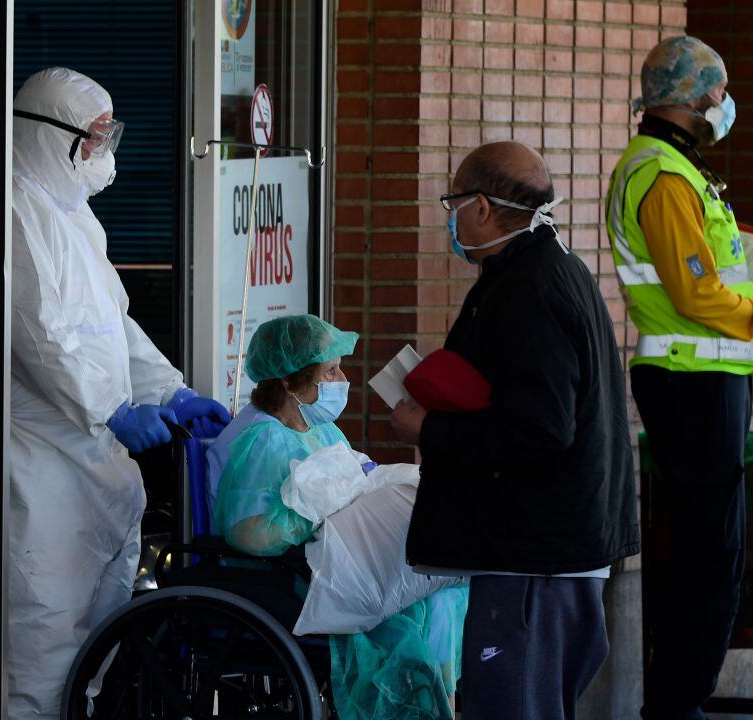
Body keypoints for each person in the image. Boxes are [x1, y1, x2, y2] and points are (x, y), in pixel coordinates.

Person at [8, 68, 230, 719]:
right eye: (95, 138)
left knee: (96, 639)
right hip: (43, 458)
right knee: (44, 638)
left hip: (95, 462)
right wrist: (111, 407)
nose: (104, 153)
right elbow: (39, 334)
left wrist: (171, 391)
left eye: (109, 136)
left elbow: (113, 324)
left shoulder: (75, 220)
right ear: (54, 137)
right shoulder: (17, 213)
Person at [392, 141, 639, 719]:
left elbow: (539, 429)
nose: (450, 218)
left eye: (453, 202)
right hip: (546, 548)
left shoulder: (529, 289)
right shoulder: (543, 270)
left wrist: (429, 430)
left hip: (534, 559)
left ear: (480, 207)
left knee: (514, 706)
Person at [216, 314, 467, 720]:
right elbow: (248, 536)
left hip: (345, 567)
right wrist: (307, 514)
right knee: (400, 635)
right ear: (287, 380)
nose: (341, 379)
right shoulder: (263, 440)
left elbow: (352, 484)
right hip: (299, 578)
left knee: (440, 597)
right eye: (329, 370)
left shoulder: (325, 432)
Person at [605, 37, 751, 720]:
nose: (725, 106)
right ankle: (677, 706)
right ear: (693, 100)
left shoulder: (675, 168)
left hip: (698, 383)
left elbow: (710, 265)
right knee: (707, 557)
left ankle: (677, 700)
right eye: (718, 95)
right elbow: (695, 297)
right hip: (692, 383)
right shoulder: (662, 174)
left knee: (710, 550)